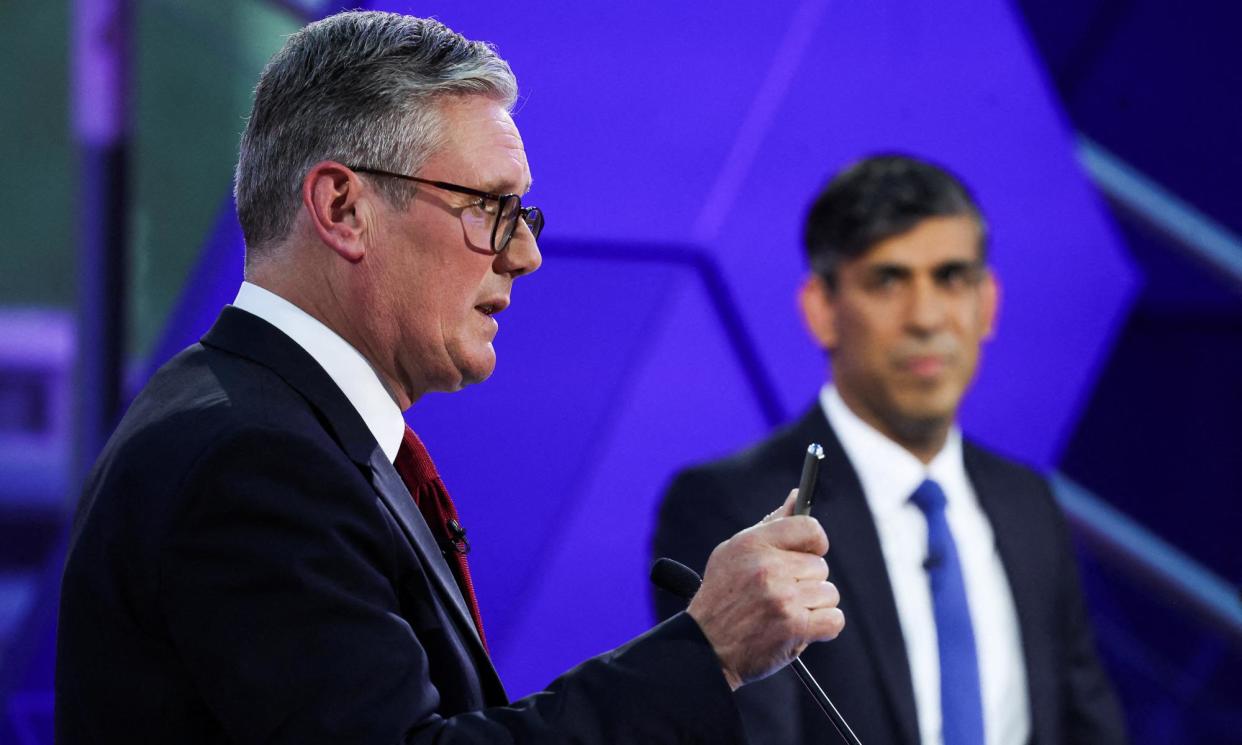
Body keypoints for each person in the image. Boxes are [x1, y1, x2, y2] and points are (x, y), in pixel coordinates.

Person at [55, 11, 845, 744]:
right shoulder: (250, 460)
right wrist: (707, 649)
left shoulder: (270, 425)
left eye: (522, 214)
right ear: (342, 207)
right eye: (489, 207)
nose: (525, 254)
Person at [653, 154, 1126, 745]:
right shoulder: (733, 509)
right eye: (888, 280)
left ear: (989, 302)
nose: (926, 317)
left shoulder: (1028, 503)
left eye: (952, 278)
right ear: (822, 309)